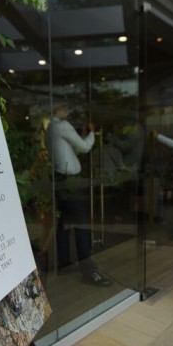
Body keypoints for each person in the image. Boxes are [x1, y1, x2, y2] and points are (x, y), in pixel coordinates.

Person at [45, 104, 112, 287]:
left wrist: (81, 135)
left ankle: (65, 263)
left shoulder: (50, 128)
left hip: (59, 179)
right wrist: (92, 133)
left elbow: (70, 150)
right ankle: (88, 271)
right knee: (82, 223)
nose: (67, 112)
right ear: (58, 110)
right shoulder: (63, 125)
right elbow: (84, 148)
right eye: (64, 109)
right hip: (70, 181)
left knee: (64, 223)